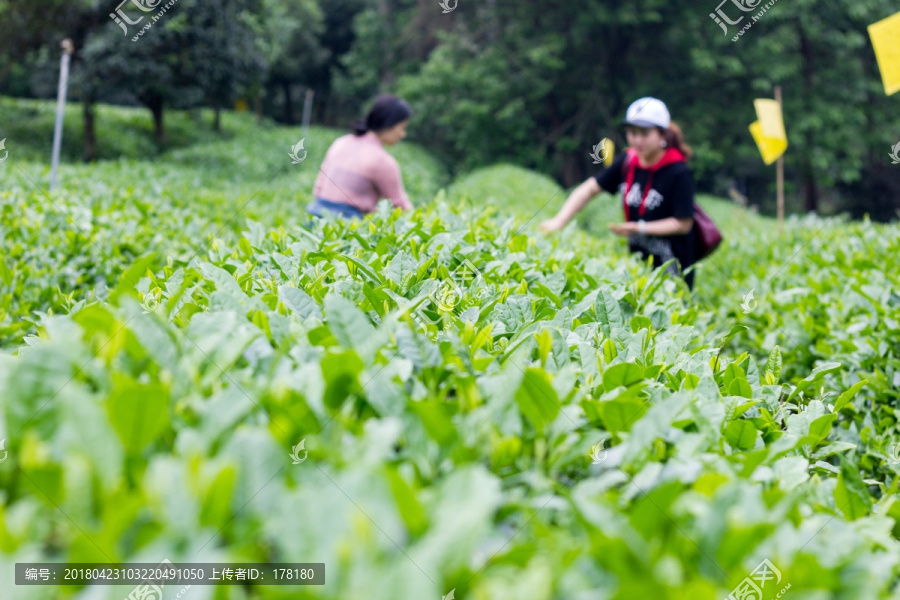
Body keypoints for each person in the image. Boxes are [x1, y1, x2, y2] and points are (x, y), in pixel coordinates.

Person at [540, 97, 698, 290]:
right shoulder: (628, 161)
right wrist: (559, 221)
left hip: (674, 264)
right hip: (639, 261)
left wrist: (638, 228)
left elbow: (683, 224)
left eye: (645, 134)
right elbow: (589, 189)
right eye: (632, 133)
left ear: (662, 135)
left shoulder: (678, 172)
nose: (637, 140)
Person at [308, 94, 414, 220]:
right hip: (343, 223)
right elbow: (400, 206)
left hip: (314, 215)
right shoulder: (383, 161)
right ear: (389, 124)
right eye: (402, 128)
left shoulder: (341, 142)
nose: (403, 134)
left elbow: (319, 186)